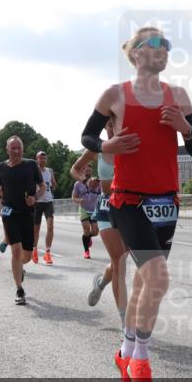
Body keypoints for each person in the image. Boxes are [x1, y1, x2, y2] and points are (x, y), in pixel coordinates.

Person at [81, 26, 192, 382]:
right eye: (153, 43)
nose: (162, 49)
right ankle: (142, 362)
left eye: (166, 45)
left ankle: (125, 351)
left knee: (144, 285)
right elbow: (86, 136)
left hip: (166, 201)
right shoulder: (115, 94)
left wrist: (185, 127)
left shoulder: (178, 95)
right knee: (158, 278)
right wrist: (107, 145)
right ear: (134, 53)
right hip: (127, 200)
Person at [72, 121, 130, 364]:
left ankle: (101, 282)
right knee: (120, 261)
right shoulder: (97, 146)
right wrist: (84, 179)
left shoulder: (129, 142)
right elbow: (76, 169)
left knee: (121, 260)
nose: (111, 126)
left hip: (130, 207)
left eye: (115, 121)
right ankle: (126, 325)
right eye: (107, 122)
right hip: (106, 208)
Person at [0, 136, 45, 305]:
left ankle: (20, 268)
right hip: (9, 213)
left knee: (26, 256)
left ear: (23, 148)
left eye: (18, 147)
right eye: (12, 148)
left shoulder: (31, 165)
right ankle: (19, 289)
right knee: (15, 250)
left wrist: (34, 198)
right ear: (7, 150)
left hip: (27, 213)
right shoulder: (0, 168)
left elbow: (42, 187)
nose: (15, 151)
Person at [32, 151, 57, 265]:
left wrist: (51, 188)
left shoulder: (49, 170)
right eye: (41, 158)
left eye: (44, 158)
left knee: (50, 226)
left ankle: (47, 253)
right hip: (37, 202)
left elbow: (53, 183)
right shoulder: (33, 171)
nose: (43, 160)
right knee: (36, 228)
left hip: (48, 201)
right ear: (36, 159)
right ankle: (35, 250)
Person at [73, 175, 102, 258]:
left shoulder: (96, 182)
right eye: (85, 170)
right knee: (86, 228)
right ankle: (86, 251)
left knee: (95, 232)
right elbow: (74, 197)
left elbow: (103, 193)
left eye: (89, 170)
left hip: (94, 210)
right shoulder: (78, 184)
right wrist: (80, 200)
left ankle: (87, 237)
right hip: (84, 209)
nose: (87, 171)